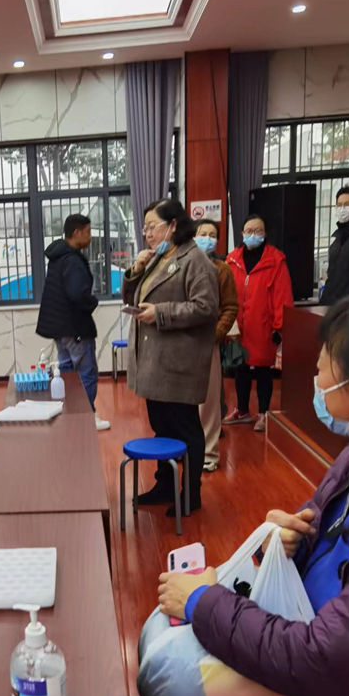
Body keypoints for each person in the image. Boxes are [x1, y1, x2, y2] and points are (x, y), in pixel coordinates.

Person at [140, 291, 349, 696]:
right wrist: (288, 537)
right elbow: (321, 528)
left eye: (326, 362)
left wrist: (203, 603)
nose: (316, 374)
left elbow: (318, 657)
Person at [122, 199, 219, 515]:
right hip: (155, 363)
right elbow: (134, 296)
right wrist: (136, 271)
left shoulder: (195, 260)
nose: (147, 233)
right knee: (162, 428)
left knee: (186, 430)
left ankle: (190, 494)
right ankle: (164, 486)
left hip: (178, 365)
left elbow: (206, 308)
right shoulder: (158, 258)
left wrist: (160, 313)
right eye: (145, 228)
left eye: (153, 226)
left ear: (173, 225)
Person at [36, 213, 110, 430]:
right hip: (75, 327)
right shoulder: (72, 260)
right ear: (76, 232)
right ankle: (87, 416)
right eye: (88, 232)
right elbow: (77, 294)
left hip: (60, 328)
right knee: (86, 373)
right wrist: (93, 302)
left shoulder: (58, 257)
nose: (90, 237)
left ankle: (72, 415)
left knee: (68, 373)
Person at [223, 214, 293, 433]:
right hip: (238, 325)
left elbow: (282, 296)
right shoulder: (232, 259)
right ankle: (242, 410)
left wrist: (279, 327)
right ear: (242, 233)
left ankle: (263, 412)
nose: (253, 234)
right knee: (240, 367)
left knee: (264, 369)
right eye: (249, 231)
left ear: (265, 234)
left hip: (263, 325)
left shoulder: (276, 260)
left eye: (258, 231)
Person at [194, 220, 239, 472]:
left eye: (212, 235)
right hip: (182, 342)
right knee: (185, 402)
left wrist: (217, 333)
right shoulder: (183, 264)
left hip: (208, 341)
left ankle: (209, 453)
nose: (207, 238)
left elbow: (230, 307)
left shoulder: (222, 270)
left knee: (209, 402)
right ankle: (187, 449)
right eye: (203, 233)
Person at [320, 183, 349, 306]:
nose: (342, 209)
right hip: (332, 303)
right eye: (339, 205)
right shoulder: (339, 236)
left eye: (347, 205)